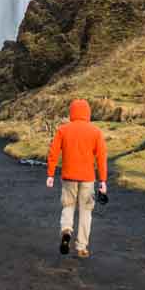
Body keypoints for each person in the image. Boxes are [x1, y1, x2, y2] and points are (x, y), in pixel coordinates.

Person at [46, 99, 107, 259]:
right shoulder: (95, 132)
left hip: (68, 177)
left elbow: (53, 153)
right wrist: (103, 180)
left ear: (72, 112)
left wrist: (50, 174)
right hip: (88, 178)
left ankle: (66, 229)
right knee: (86, 211)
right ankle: (81, 247)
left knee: (68, 206)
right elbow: (101, 157)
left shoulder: (63, 130)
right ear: (88, 112)